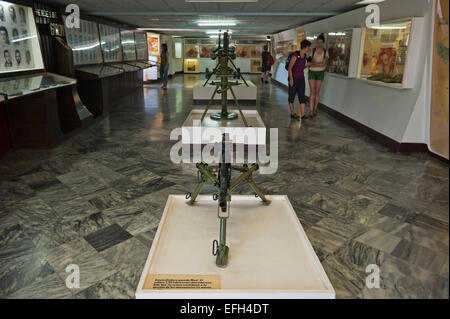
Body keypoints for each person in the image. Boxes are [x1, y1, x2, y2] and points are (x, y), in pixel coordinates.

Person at [288, 39, 312, 120]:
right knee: (292, 96)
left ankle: (303, 114)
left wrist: (306, 66)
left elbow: (301, 67)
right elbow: (289, 68)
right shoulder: (295, 55)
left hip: (301, 78)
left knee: (302, 96)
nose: (309, 48)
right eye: (309, 47)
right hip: (294, 78)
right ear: (305, 47)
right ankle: (292, 113)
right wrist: (291, 79)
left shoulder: (304, 56)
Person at [308, 33, 329, 117]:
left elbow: (324, 64)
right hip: (312, 72)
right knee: (312, 91)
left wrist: (314, 64)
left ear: (323, 43)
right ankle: (311, 110)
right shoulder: (312, 51)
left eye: (321, 42)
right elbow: (309, 63)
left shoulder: (325, 52)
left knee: (317, 92)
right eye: (318, 42)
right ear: (317, 42)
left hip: (320, 73)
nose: (319, 44)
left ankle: (315, 109)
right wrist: (319, 64)